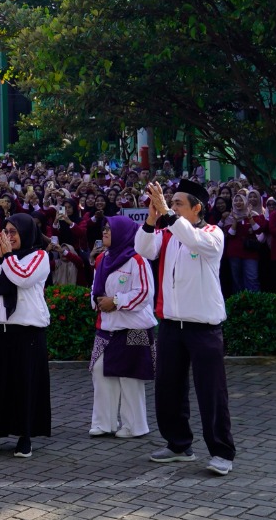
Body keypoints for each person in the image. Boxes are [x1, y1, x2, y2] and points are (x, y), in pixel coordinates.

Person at [138, 179, 235, 476]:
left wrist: (167, 215)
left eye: (179, 203)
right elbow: (143, 249)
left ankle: (221, 452)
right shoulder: (169, 234)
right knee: (168, 388)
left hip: (204, 328)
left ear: (197, 208)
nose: (173, 207)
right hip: (171, 324)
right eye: (171, 203)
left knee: (211, 392)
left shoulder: (212, 234)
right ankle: (179, 444)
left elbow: (193, 240)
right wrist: (152, 219)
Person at [0, 213, 52, 459]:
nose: (9, 236)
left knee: (24, 384)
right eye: (6, 232)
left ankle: (24, 436)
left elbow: (23, 278)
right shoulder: (4, 258)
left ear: (26, 232)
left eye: (14, 232)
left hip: (27, 330)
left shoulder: (39, 256)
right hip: (1, 328)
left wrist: (7, 257)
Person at [88, 215, 155, 439]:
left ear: (123, 233)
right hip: (107, 327)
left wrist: (116, 301)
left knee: (131, 377)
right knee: (99, 370)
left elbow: (145, 293)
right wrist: (97, 301)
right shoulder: (102, 259)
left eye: (110, 228)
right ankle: (103, 423)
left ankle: (134, 426)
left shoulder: (137, 259)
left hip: (135, 328)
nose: (105, 232)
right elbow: (95, 288)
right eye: (104, 228)